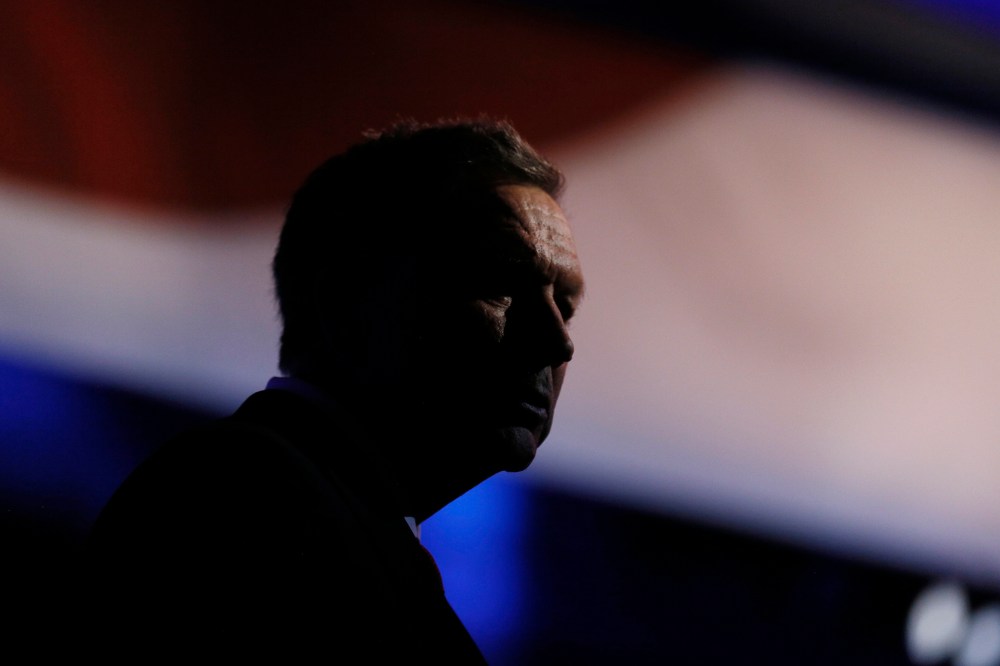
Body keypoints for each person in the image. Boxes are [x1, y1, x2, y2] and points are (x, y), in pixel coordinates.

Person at [83, 118, 585, 661]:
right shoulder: (242, 495)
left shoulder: (342, 523)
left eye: (567, 305)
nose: (558, 342)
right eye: (499, 280)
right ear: (344, 298)